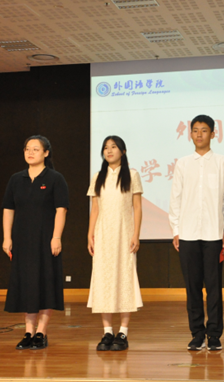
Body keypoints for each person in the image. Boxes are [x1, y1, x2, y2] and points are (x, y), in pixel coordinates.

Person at [169, 114, 224, 351]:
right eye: (195, 130)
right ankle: (197, 334)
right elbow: (175, 199)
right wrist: (176, 230)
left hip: (214, 233)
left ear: (213, 134)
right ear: (190, 134)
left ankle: (214, 334)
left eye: (204, 130)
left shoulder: (222, 162)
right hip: (187, 234)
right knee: (192, 287)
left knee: (214, 287)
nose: (199, 134)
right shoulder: (183, 163)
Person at [2, 135, 69, 350]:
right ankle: (28, 331)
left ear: (46, 153)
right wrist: (7, 237)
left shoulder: (55, 178)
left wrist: (56, 237)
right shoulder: (16, 179)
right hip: (22, 240)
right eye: (27, 149)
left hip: (46, 240)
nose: (30, 153)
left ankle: (41, 332)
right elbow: (8, 210)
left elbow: (61, 210)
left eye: (36, 149)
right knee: (27, 284)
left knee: (46, 283)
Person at [87, 136, 143, 351]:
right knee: (103, 279)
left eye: (114, 147)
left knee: (124, 278)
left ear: (123, 151)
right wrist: (90, 234)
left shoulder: (132, 175)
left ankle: (123, 332)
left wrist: (135, 234)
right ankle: (107, 331)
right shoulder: (98, 177)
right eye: (105, 148)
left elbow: (137, 207)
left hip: (124, 234)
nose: (109, 151)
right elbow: (95, 208)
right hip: (102, 235)